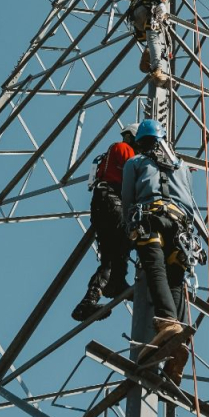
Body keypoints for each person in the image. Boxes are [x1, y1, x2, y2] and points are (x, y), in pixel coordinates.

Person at [122, 118, 204, 385]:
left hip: (151, 218)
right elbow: (191, 204)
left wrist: (128, 229)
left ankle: (168, 324)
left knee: (154, 268)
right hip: (181, 227)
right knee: (176, 280)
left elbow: (127, 199)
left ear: (139, 142)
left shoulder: (134, 163)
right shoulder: (182, 168)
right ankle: (178, 346)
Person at [71, 123, 139, 322]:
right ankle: (116, 283)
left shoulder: (112, 154)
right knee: (129, 240)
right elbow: (138, 173)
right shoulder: (123, 148)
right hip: (111, 202)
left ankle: (90, 300)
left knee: (112, 256)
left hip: (104, 205)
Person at [126, 0, 188, 87]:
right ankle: (158, 70)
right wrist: (161, 4)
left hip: (137, 16)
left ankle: (148, 55)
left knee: (156, 36)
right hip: (145, 9)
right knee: (155, 35)